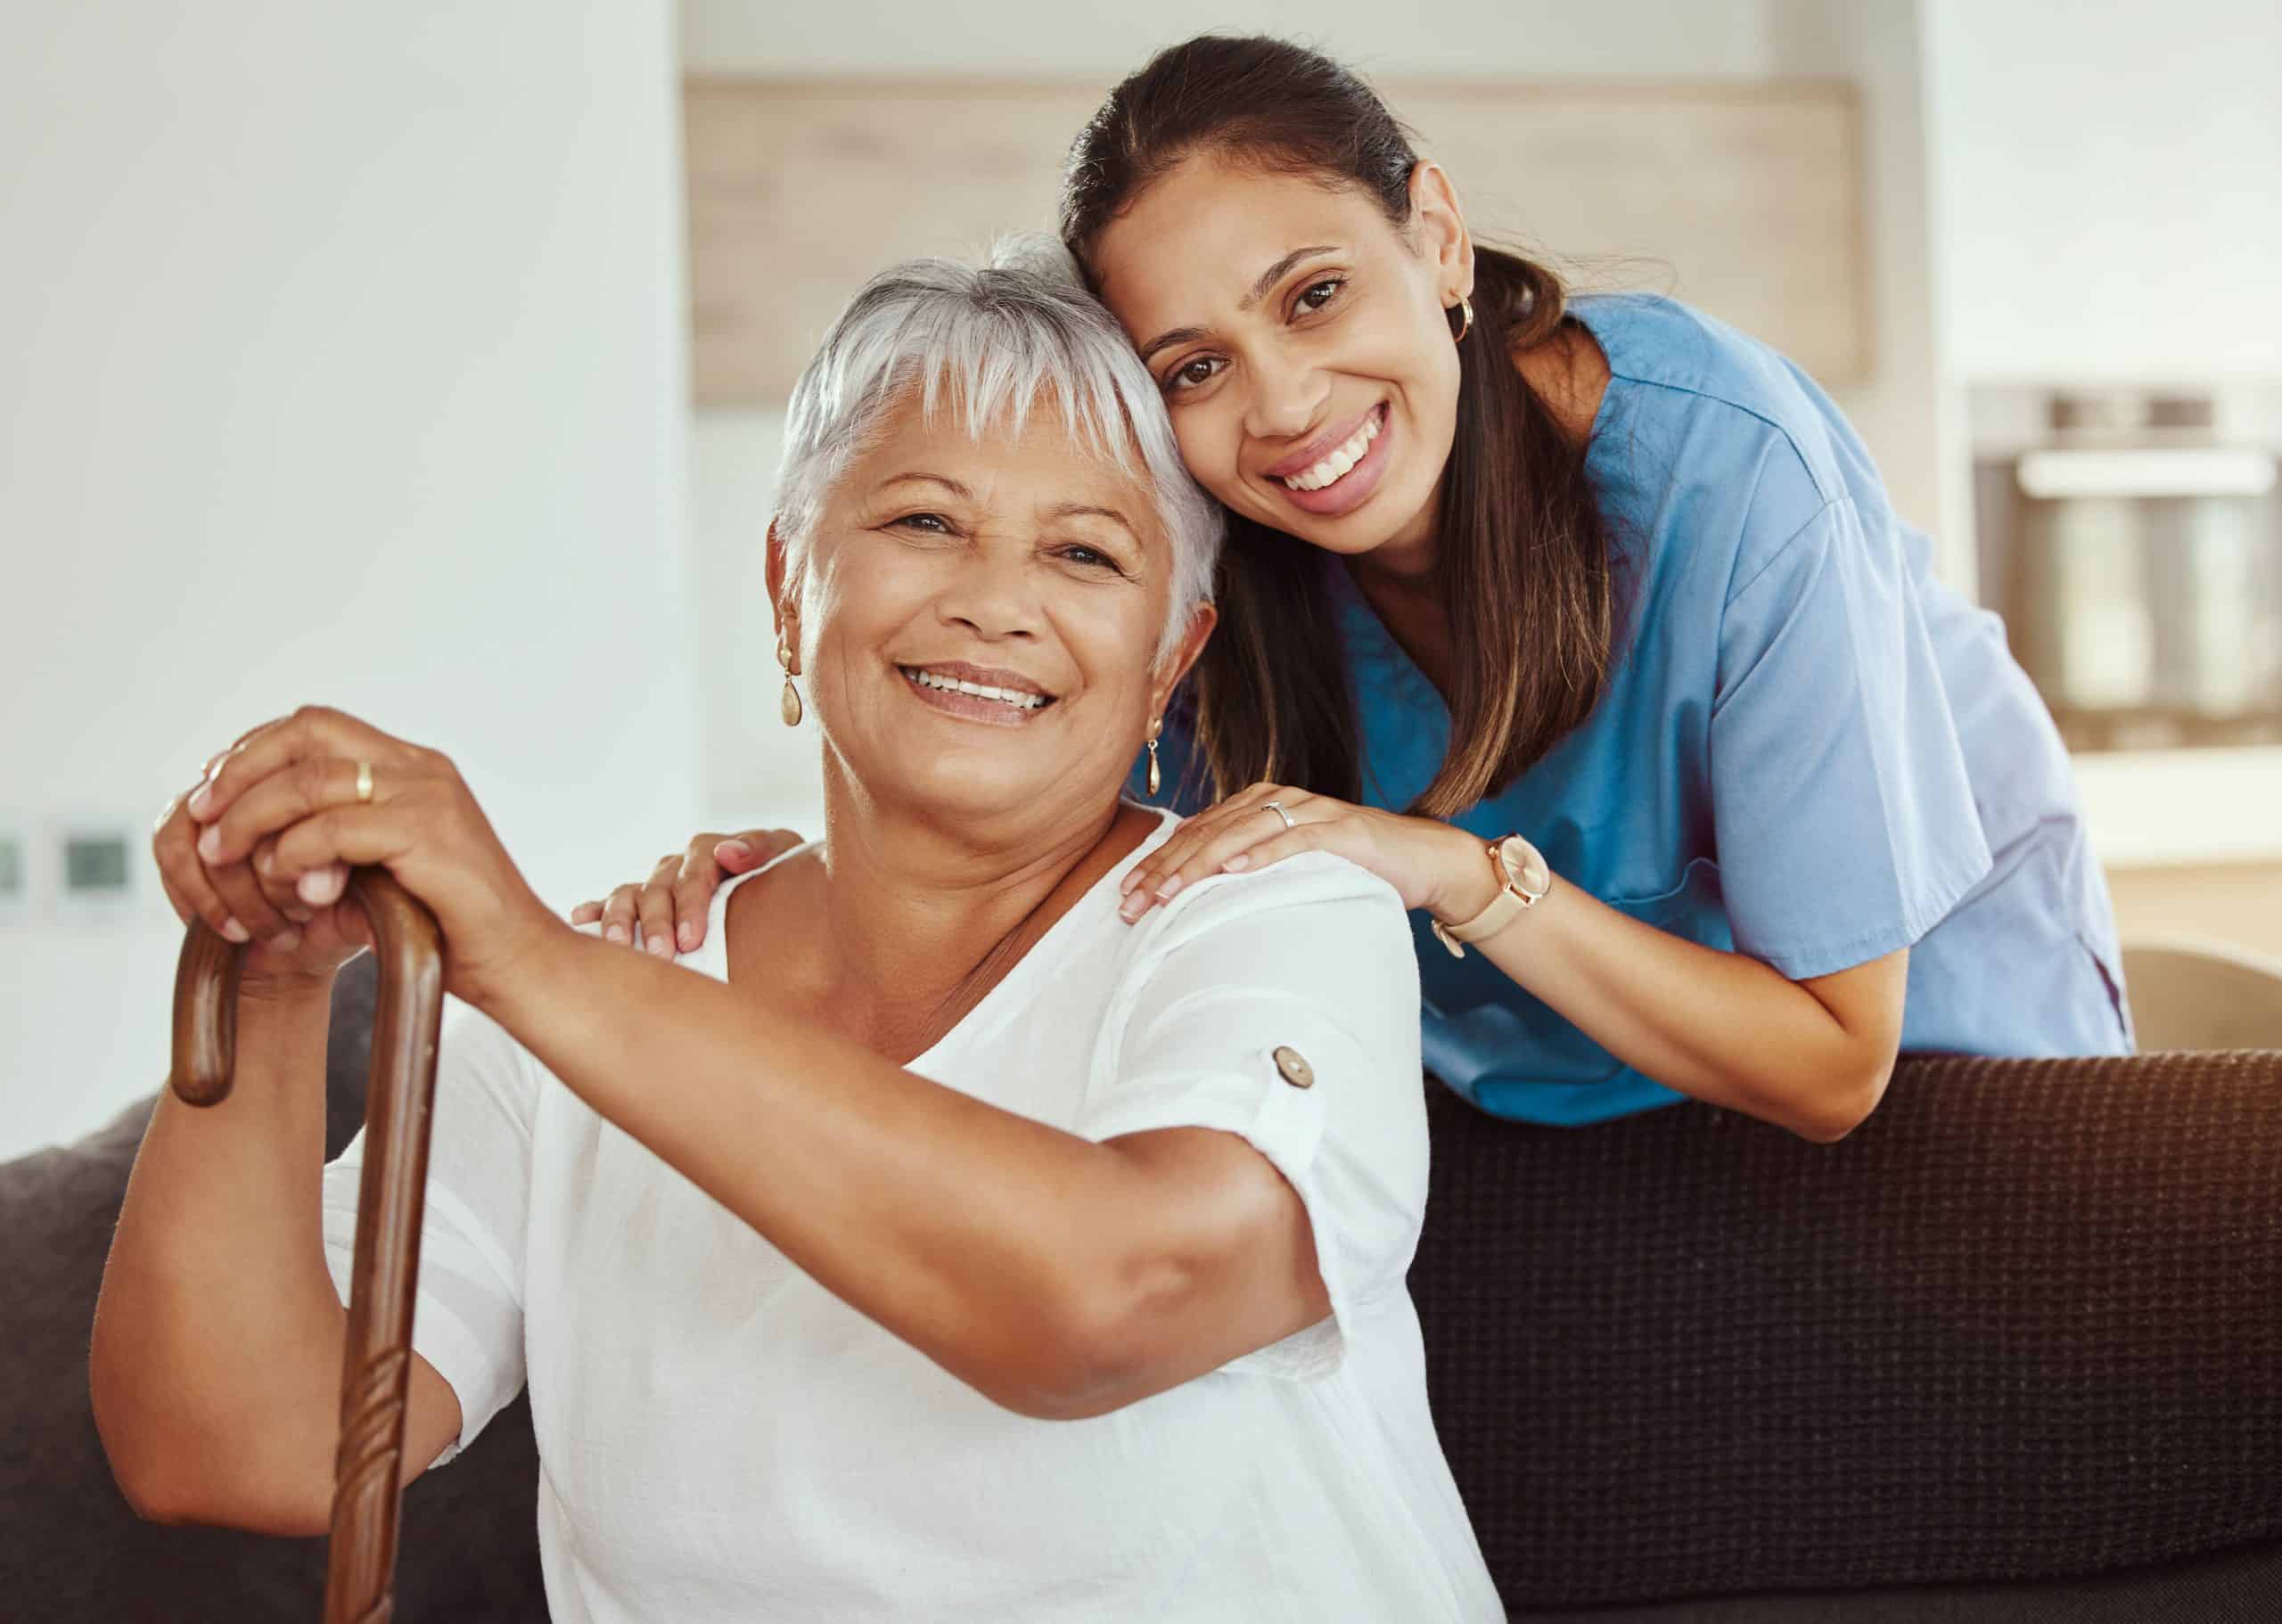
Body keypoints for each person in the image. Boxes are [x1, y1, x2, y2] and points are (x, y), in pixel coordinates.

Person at [94, 242, 1503, 1622]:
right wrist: (266, 993)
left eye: (1083, 552)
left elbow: (1114, 1296)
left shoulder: (1270, 914)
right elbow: (237, 1449)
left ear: (1169, 659)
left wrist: (534, 962)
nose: (994, 602)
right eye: (924, 523)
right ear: (788, 587)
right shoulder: (595, 997)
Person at [591, 35, 2131, 1143]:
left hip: (1933, 1065)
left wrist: (1457, 872)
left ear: (1437, 238)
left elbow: (1831, 1063)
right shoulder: (1210, 563)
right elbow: (1055, 857)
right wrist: (778, 901)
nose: (1284, 406)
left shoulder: (1732, 471)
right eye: (1194, 365)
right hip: (1556, 1115)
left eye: (1314, 294)